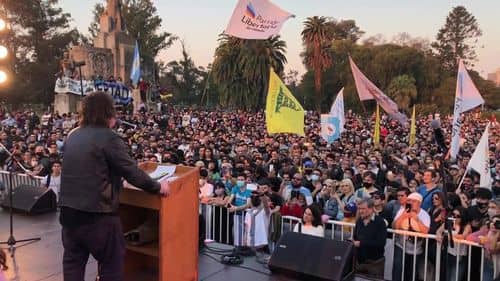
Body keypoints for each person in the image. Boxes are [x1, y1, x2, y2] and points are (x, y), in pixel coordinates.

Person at [59, 91, 170, 281]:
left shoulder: (73, 134)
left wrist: (116, 180)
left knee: (73, 265)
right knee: (112, 264)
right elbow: (131, 172)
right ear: (108, 113)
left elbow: (88, 168)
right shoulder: (108, 137)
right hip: (97, 215)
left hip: (69, 214)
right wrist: (158, 187)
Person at [392, 192, 430, 281]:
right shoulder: (402, 211)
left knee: (411, 273)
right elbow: (395, 227)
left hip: (416, 249)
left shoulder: (425, 215)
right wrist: (403, 216)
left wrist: (416, 219)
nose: (410, 203)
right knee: (398, 269)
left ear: (419, 203)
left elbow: (425, 231)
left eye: (413, 201)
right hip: (401, 245)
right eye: (409, 200)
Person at [353, 198, 387, 279]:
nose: (360, 211)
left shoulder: (380, 222)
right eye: (359, 208)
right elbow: (355, 237)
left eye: (363, 208)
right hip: (359, 262)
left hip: (375, 264)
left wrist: (361, 243)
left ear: (371, 208)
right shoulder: (359, 221)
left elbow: (381, 243)